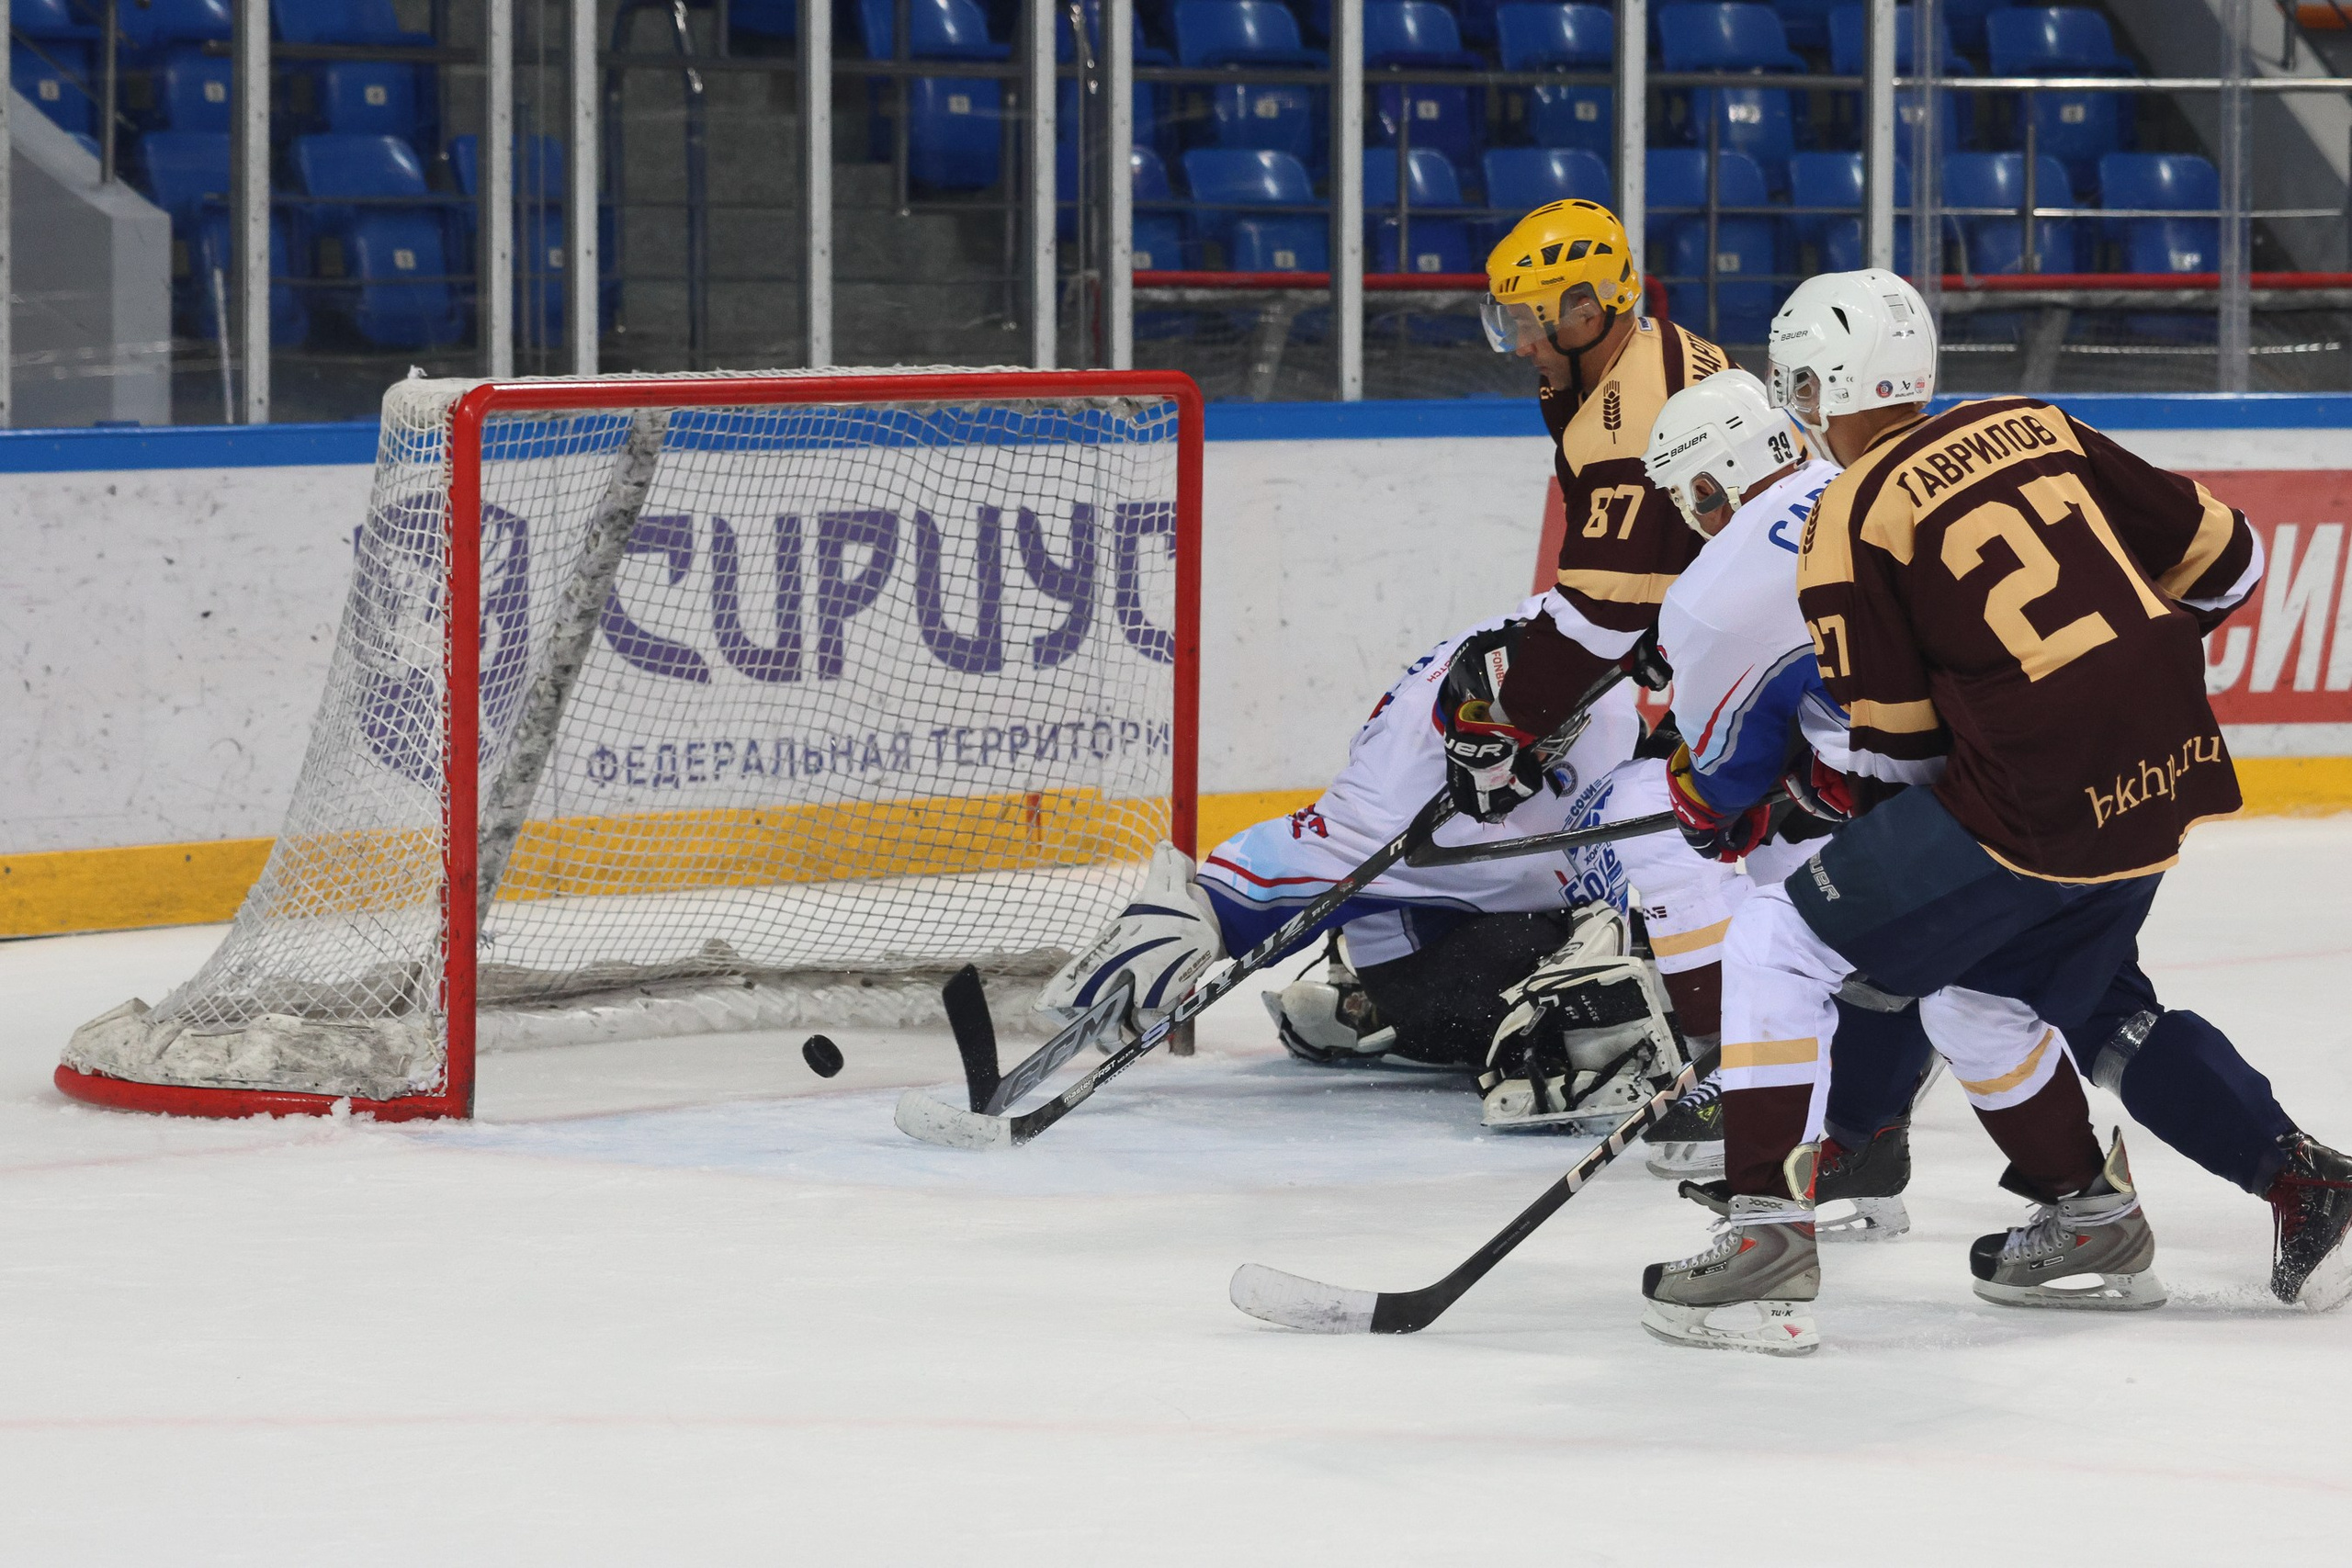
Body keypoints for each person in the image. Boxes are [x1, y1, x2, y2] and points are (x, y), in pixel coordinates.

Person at [1639, 269, 2352, 1357]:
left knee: (1777, 944)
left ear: (1830, 386)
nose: (1794, 413)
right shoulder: (2038, 422)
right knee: (2010, 997)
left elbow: (1900, 758)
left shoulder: (1849, 515)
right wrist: (2099, 686)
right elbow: (2233, 563)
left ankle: (1763, 1235)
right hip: (2161, 770)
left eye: (1797, 387)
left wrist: (1810, 798)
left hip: (2029, 806)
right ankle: (2164, 1204)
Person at [1035, 200, 1744, 1128]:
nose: (1519, 343)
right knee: (1539, 969)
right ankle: (1392, 1004)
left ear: (1584, 310)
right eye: (1511, 321)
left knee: (1666, 875)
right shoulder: (1422, 752)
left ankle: (1734, 1053)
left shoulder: (1627, 430)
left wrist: (1516, 724)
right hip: (1456, 924)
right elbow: (1323, 842)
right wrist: (1204, 911)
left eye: (1530, 321)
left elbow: (1611, 608)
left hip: (1690, 693)